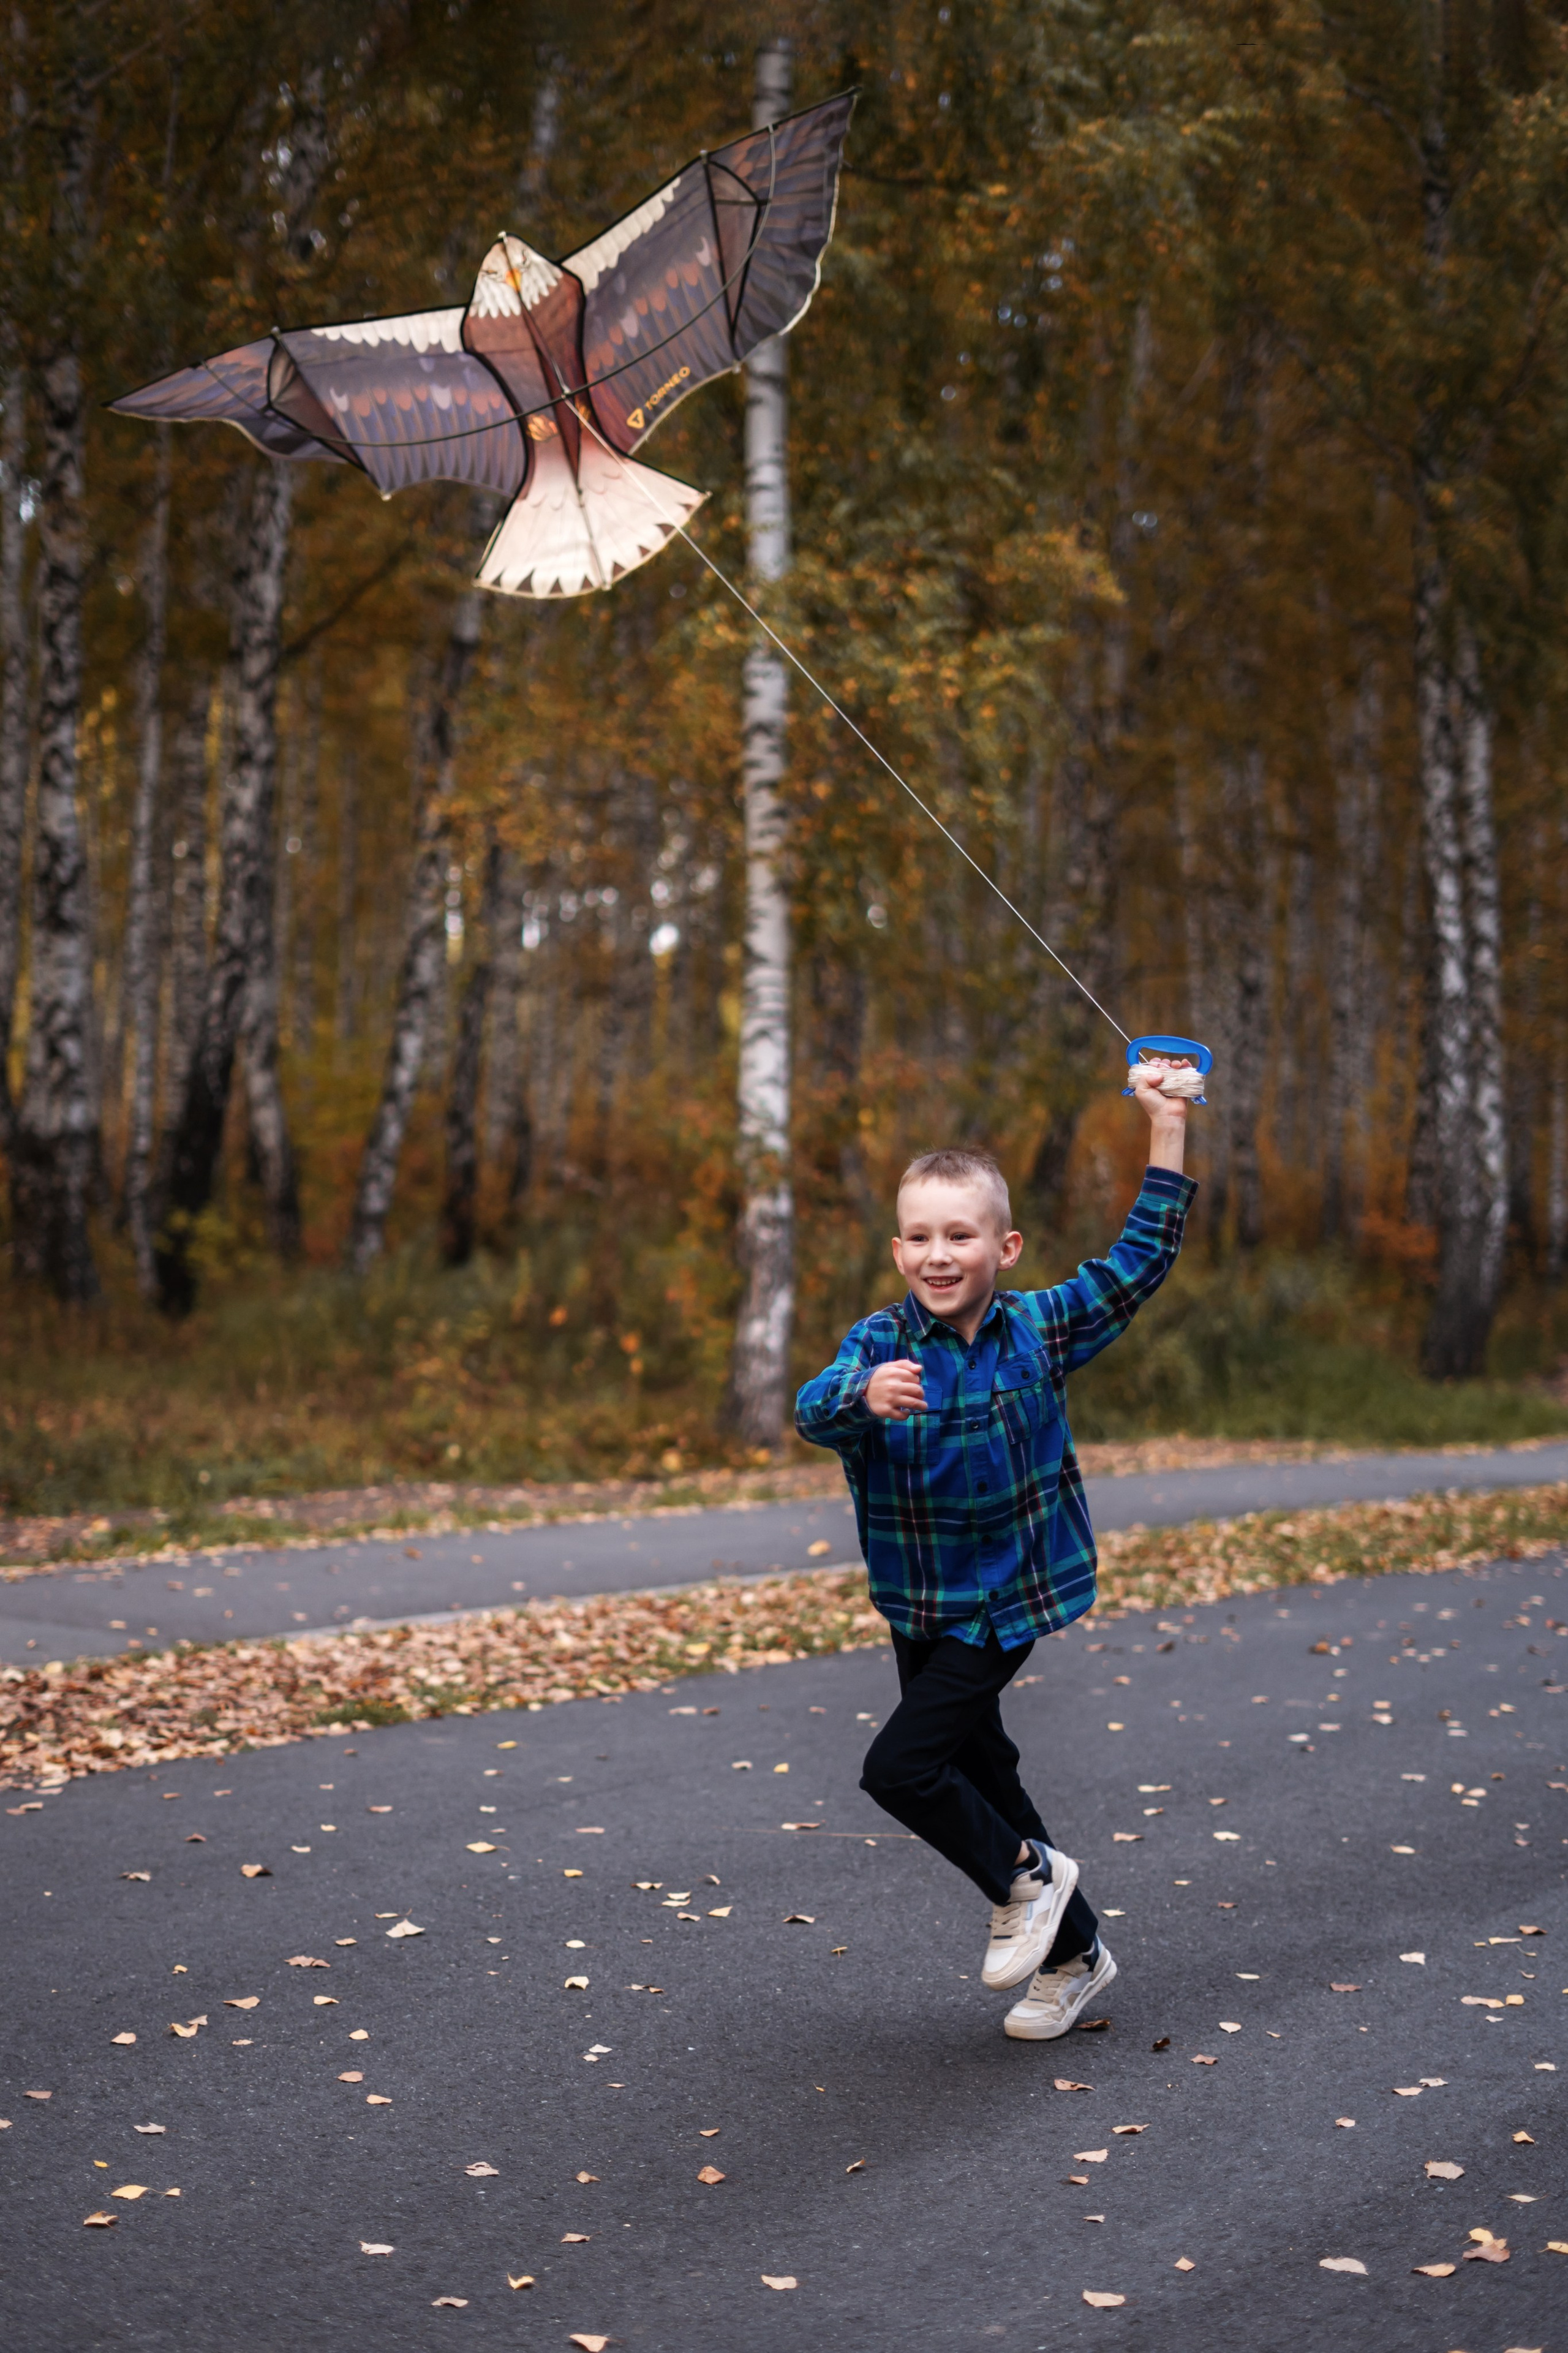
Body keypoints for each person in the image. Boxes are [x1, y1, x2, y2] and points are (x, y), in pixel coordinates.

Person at [794, 1069, 1196, 2039]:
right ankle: (1077, 1956)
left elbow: (1140, 1259)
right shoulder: (878, 1345)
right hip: (920, 1601)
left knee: (900, 1768)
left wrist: (1168, 1123)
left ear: (1004, 1247)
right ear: (898, 1250)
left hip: (1008, 1598)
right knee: (985, 1777)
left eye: (960, 1235)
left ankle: (1027, 1877)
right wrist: (860, 1398)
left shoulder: (1041, 1329)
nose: (939, 1255)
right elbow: (812, 1406)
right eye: (920, 1238)